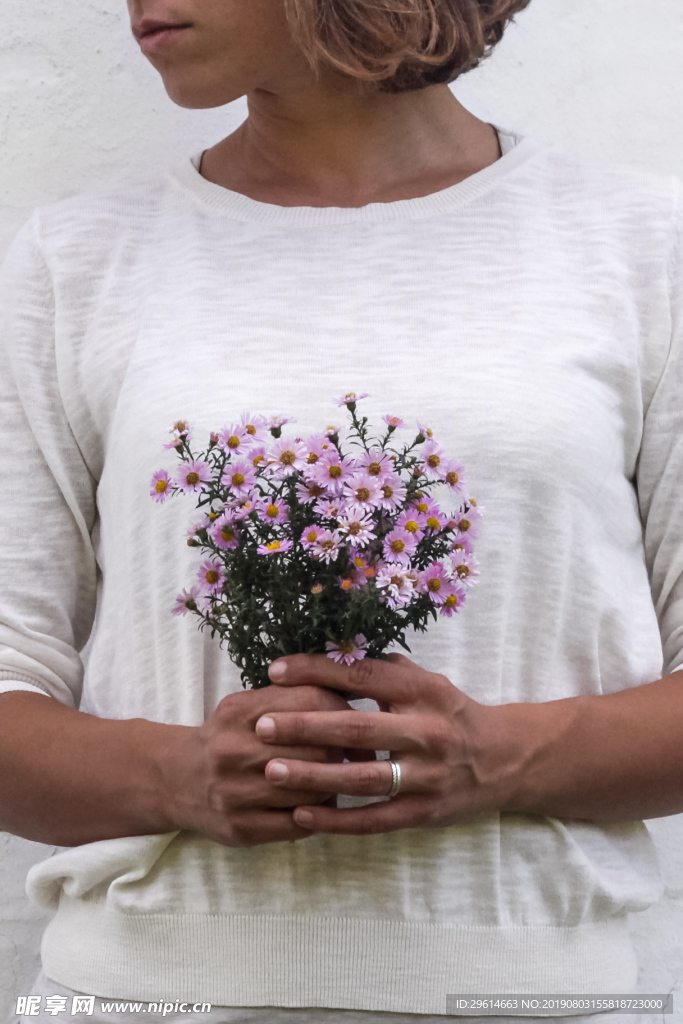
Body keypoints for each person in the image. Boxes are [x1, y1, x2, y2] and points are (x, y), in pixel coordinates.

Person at [1, 0, 681, 1022]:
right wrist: (175, 777)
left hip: (533, 999)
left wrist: (496, 757)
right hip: (137, 996)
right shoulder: (76, 260)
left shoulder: (638, 246)